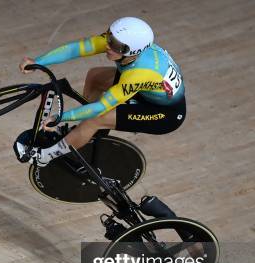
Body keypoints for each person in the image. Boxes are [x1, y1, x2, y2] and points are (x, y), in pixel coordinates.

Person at [14, 17, 186, 166]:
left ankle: (44, 156)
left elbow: (101, 107)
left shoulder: (137, 74)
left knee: (95, 118)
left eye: (115, 45)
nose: (108, 46)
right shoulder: (122, 42)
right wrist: (38, 62)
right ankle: (84, 133)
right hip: (146, 89)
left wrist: (61, 117)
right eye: (110, 37)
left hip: (163, 113)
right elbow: (76, 49)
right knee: (95, 76)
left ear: (132, 52)